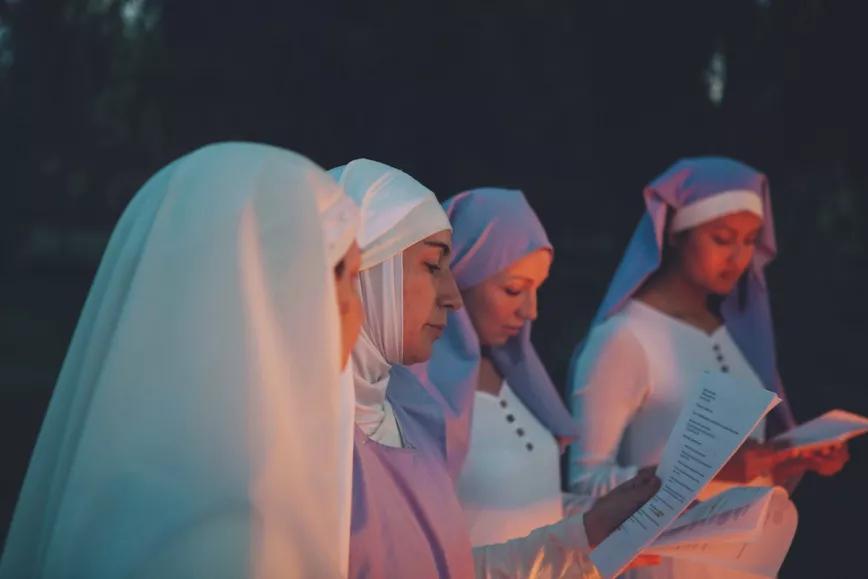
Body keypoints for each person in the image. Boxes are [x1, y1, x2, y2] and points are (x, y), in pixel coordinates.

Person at [0, 142, 360, 579]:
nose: (358, 311)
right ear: (298, 293)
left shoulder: (110, 482)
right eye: (354, 280)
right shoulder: (238, 536)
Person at [334, 159, 662, 579]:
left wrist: (591, 529)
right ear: (365, 273)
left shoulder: (406, 414)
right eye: (512, 289)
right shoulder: (350, 425)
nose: (531, 311)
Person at [567, 157, 849, 579]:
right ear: (678, 235)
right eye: (722, 238)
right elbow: (584, 488)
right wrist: (713, 472)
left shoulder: (732, 336)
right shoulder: (626, 337)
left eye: (750, 240)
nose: (738, 257)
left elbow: (745, 480)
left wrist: (788, 463)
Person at [413, 187, 586, 547]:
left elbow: (527, 506)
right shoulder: (415, 391)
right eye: (513, 290)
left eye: (537, 290)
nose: (530, 312)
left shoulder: (519, 380)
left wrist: (607, 512)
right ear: (459, 280)